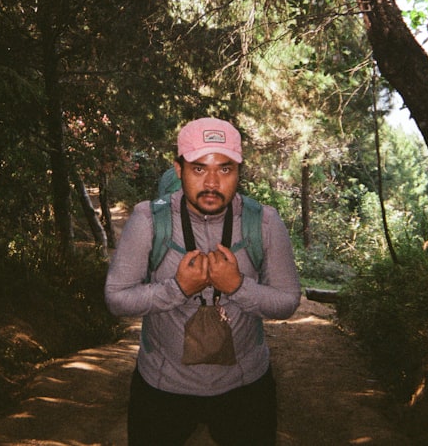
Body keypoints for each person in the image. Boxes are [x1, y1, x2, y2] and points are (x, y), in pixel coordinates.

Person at [105, 117, 301, 445]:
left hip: (245, 386)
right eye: (199, 168)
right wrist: (178, 289)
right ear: (179, 169)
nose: (212, 182)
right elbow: (117, 297)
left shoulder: (264, 222)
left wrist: (237, 286)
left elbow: (287, 300)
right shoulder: (148, 220)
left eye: (225, 169)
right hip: (161, 386)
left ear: (239, 171)